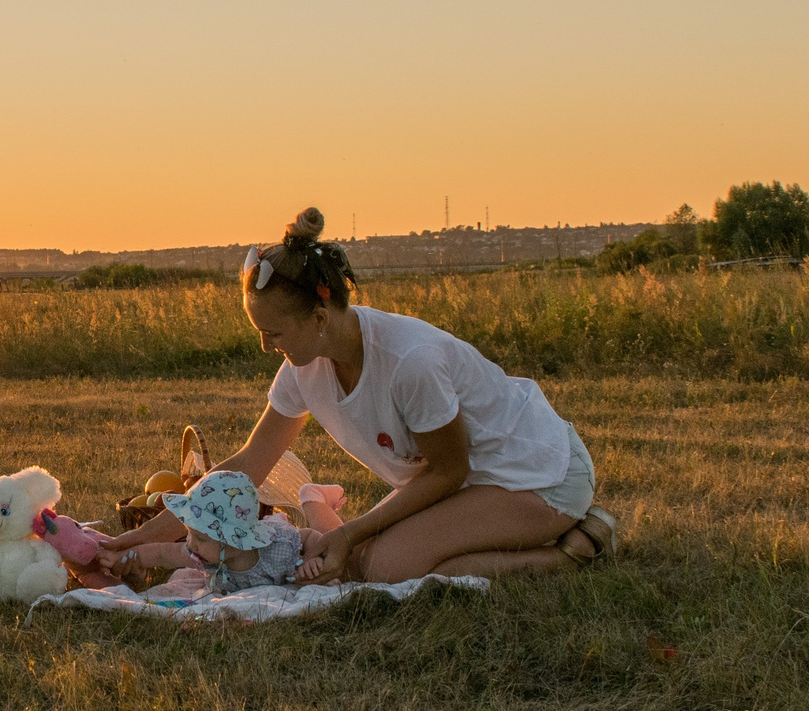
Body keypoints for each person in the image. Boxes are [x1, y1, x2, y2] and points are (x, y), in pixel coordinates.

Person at [97, 207, 615, 585]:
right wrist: (136, 540)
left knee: (386, 568)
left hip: (536, 475)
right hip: (465, 485)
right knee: (359, 559)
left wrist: (355, 532)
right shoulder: (303, 366)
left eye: (273, 332)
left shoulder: (410, 361)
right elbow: (248, 463)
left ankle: (567, 554)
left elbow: (449, 469)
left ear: (319, 318)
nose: (265, 345)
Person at [94, 468, 343, 599]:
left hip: (299, 556)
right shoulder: (204, 555)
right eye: (190, 533)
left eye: (200, 537)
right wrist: (121, 556)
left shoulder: (276, 546)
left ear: (232, 540)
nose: (191, 543)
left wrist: (312, 558)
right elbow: (160, 554)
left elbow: (310, 536)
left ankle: (314, 497)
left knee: (331, 531)